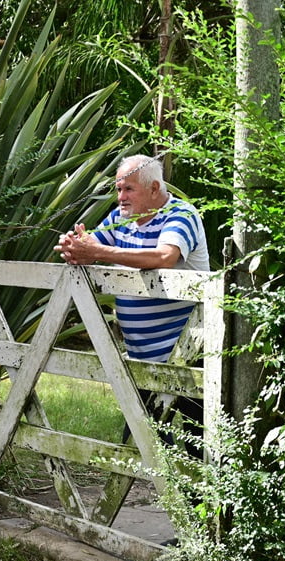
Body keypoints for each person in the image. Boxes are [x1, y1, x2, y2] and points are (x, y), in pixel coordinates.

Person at [54, 154, 209, 451]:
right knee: (143, 444)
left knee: (198, 446)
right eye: (118, 189)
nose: (121, 197)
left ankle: (191, 499)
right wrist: (73, 246)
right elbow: (92, 245)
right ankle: (168, 498)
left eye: (128, 190)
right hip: (141, 355)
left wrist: (99, 252)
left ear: (153, 188)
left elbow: (164, 257)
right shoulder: (120, 218)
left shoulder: (181, 214)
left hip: (188, 353)